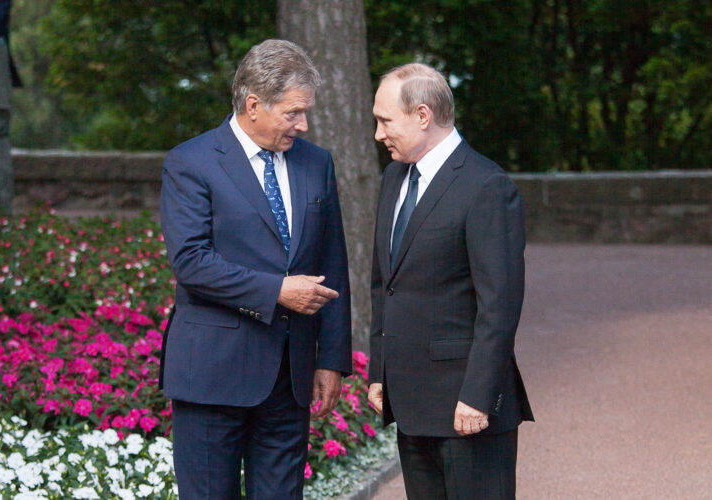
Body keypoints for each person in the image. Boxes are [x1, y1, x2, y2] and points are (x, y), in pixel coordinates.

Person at [159, 39, 352, 500]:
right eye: (293, 113)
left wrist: (332, 360)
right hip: (211, 375)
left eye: (306, 112)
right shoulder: (191, 162)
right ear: (252, 105)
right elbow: (190, 261)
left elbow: (332, 262)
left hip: (290, 378)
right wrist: (277, 291)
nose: (303, 125)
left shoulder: (316, 162)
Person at [367, 63, 534, 499]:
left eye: (385, 121)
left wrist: (478, 397)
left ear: (423, 116)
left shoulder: (486, 186)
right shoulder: (393, 178)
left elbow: (499, 305)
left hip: (468, 407)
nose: (378, 134)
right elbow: (383, 284)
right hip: (410, 404)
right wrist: (380, 370)